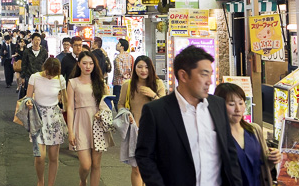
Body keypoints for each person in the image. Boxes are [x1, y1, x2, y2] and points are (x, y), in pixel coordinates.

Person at [135, 46, 243, 186]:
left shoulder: (217, 105)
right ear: (183, 75)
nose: (209, 81)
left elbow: (229, 152)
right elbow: (144, 156)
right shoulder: (156, 111)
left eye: (210, 74)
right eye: (204, 74)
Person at [214, 83, 281, 186]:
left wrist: (273, 159)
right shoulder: (216, 136)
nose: (238, 109)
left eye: (241, 103)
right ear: (219, 106)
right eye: (231, 104)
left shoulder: (254, 130)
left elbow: (263, 167)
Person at [118, 55, 166, 186]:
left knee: (151, 168)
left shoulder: (158, 84)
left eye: (146, 67)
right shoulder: (127, 85)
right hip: (135, 130)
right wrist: (126, 114)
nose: (143, 70)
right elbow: (120, 104)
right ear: (135, 69)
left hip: (154, 132)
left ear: (151, 69)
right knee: (137, 168)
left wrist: (153, 95)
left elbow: (164, 107)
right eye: (139, 67)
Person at [67, 51, 111, 186]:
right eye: (85, 63)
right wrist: (70, 131)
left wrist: (102, 112)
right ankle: (83, 180)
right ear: (79, 64)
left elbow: (108, 103)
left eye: (91, 63)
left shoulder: (100, 83)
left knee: (96, 165)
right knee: (86, 165)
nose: (88, 66)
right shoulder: (73, 82)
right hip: (80, 123)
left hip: (98, 124)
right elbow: (69, 107)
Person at [25, 57, 68, 186]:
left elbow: (66, 101)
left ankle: (50, 184)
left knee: (54, 157)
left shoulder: (60, 80)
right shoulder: (35, 77)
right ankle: (40, 181)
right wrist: (28, 102)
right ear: (45, 68)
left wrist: (66, 109)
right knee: (40, 156)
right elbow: (28, 97)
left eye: (54, 75)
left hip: (54, 118)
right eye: (49, 74)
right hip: (38, 117)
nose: (50, 77)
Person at [112, 39, 133, 110]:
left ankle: (120, 115)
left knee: (117, 100)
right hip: (127, 81)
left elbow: (119, 69)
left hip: (118, 82)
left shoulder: (118, 57)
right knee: (126, 99)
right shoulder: (129, 56)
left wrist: (123, 75)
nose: (116, 45)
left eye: (118, 44)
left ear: (122, 47)